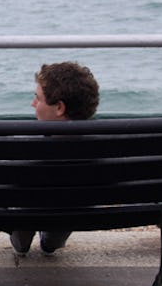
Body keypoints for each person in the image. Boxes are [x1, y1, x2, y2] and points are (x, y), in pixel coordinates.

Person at [10, 61, 100, 256]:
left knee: (26, 186)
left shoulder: (24, 149)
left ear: (59, 108)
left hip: (28, 205)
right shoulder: (109, 146)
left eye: (37, 98)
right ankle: (52, 241)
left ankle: (22, 239)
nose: (32, 104)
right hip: (83, 211)